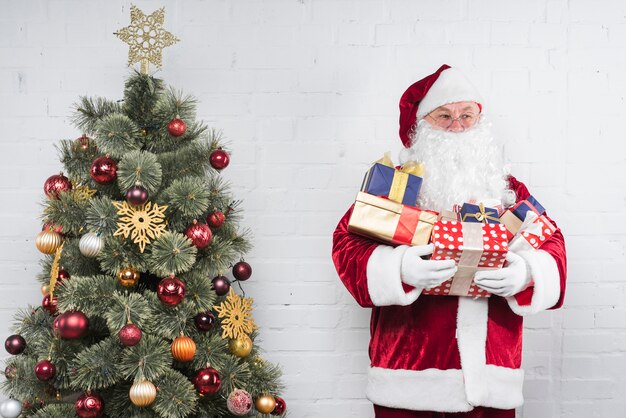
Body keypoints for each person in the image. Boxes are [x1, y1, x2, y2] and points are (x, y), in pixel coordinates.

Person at [331, 64, 567, 418]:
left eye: (466, 115)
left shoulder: (506, 190)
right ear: (422, 126)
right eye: (444, 116)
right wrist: (400, 268)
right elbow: (346, 244)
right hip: (407, 377)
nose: (457, 126)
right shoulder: (395, 186)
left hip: (492, 377)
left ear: (480, 121)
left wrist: (525, 274)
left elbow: (552, 242)